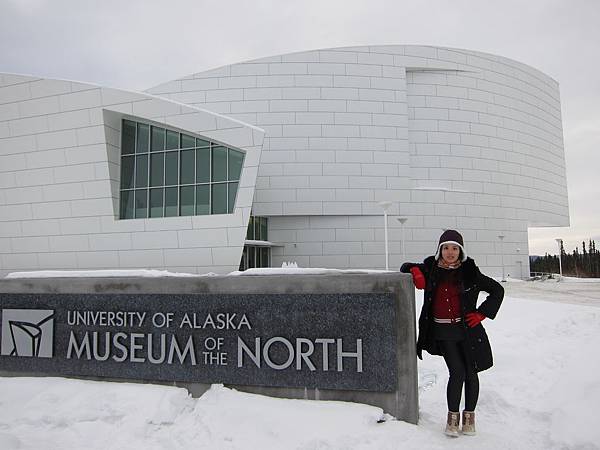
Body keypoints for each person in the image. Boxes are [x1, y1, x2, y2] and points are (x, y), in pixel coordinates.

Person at [400, 230, 503, 437]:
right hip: (443, 331)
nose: (450, 252)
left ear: (461, 251)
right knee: (457, 372)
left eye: (454, 248)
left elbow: (497, 290)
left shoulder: (470, 272)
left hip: (467, 331)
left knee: (471, 373)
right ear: (440, 250)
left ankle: (469, 419)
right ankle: (452, 419)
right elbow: (405, 266)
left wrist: (481, 314)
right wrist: (415, 272)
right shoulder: (430, 268)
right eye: (446, 248)